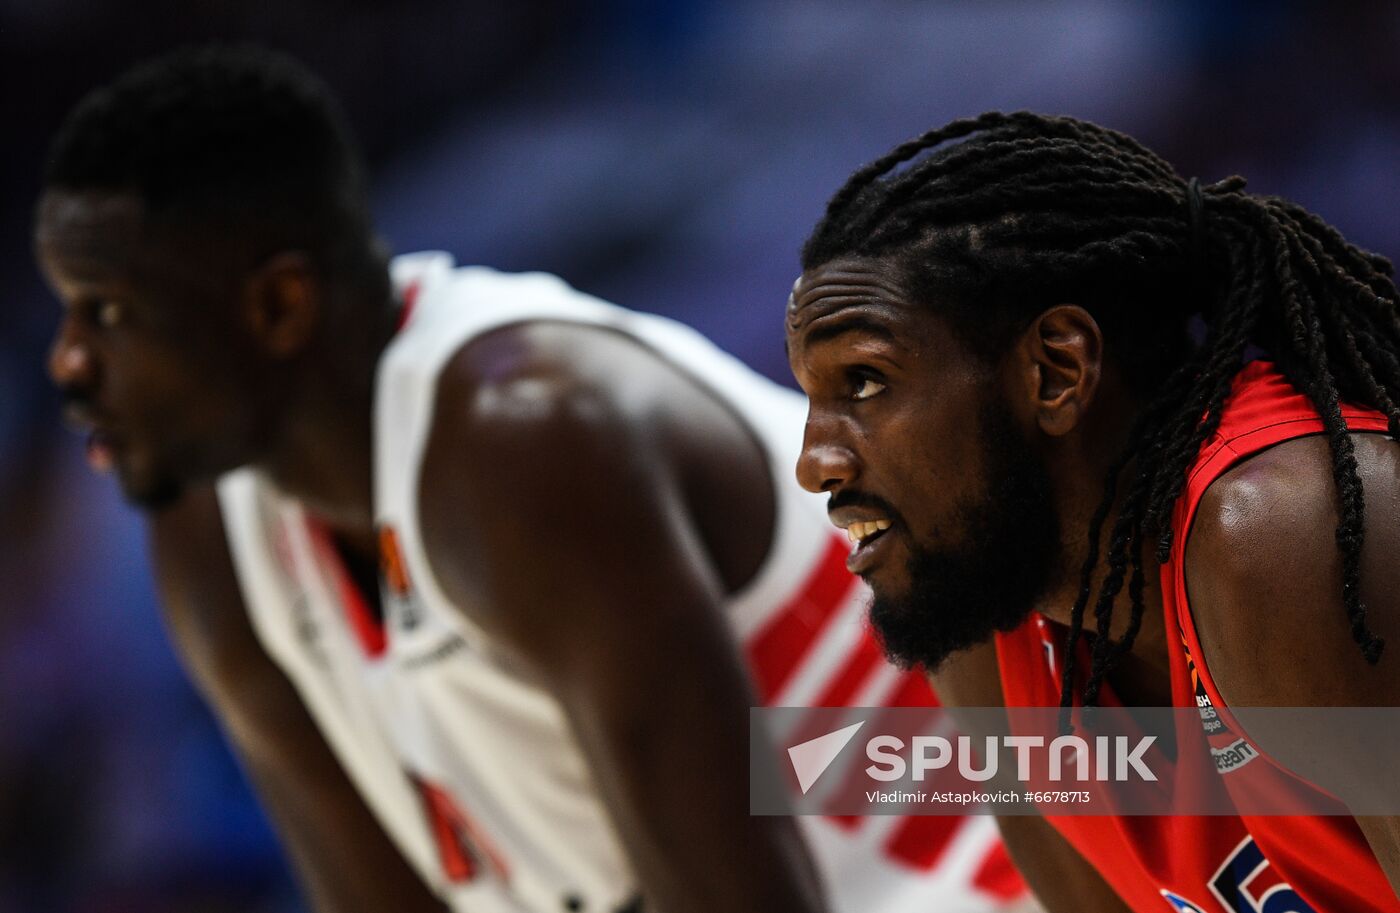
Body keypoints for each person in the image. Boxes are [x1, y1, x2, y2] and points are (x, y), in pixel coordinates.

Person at [36, 48, 1028, 913]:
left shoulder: (530, 438)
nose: (67, 362)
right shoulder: (210, 529)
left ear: (280, 304)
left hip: (1086, 798)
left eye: (110, 314)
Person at [786, 109, 1400, 912]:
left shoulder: (1279, 534)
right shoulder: (986, 611)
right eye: (814, 398)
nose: (814, 462)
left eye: (863, 382)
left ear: (1055, 370)